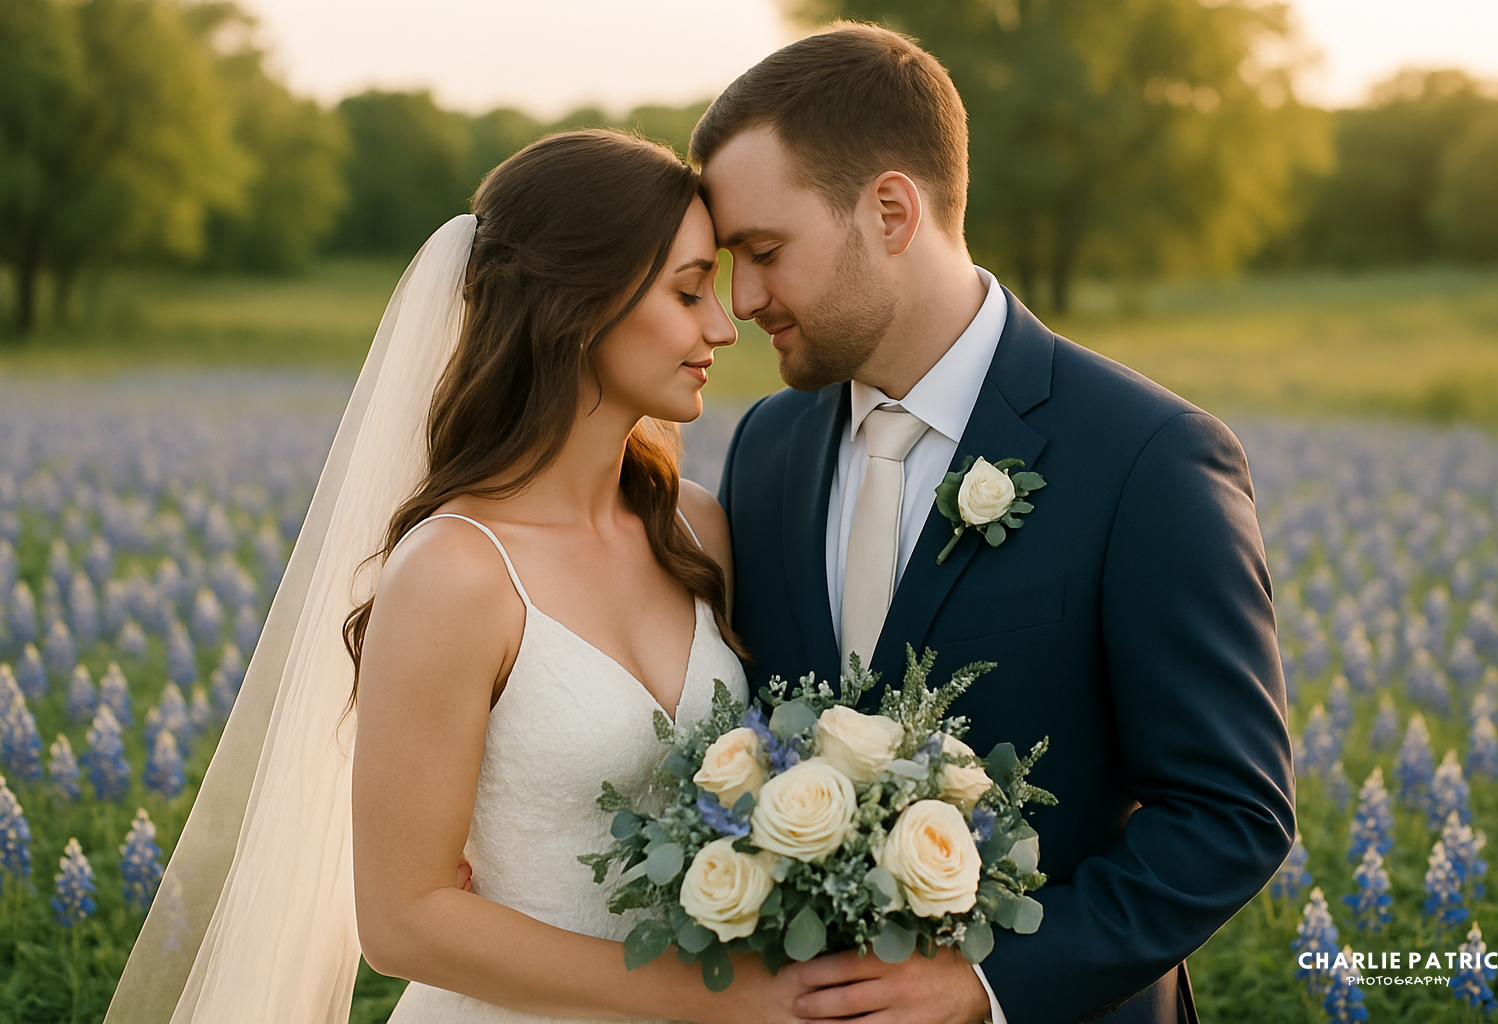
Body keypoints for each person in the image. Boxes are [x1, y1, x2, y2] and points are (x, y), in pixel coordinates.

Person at [103, 130, 812, 1024]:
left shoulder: (696, 528)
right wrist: (720, 998)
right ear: (578, 307)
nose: (723, 323)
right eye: (687, 290)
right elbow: (402, 922)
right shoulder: (457, 571)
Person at [698, 24, 1296, 1024]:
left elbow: (1231, 813)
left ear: (890, 210)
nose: (742, 299)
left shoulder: (1147, 457)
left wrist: (988, 982)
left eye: (764, 252)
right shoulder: (767, 443)